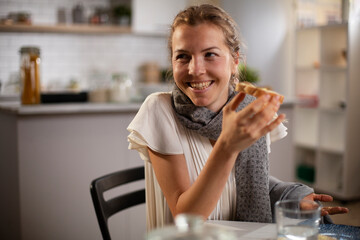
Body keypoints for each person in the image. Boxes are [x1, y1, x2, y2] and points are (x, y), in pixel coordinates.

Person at [127, 4, 348, 230]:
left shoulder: (248, 114)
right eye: (183, 57)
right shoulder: (159, 109)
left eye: (210, 54)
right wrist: (227, 146)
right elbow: (185, 217)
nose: (195, 69)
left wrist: (292, 196)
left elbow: (242, 185)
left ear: (235, 61)